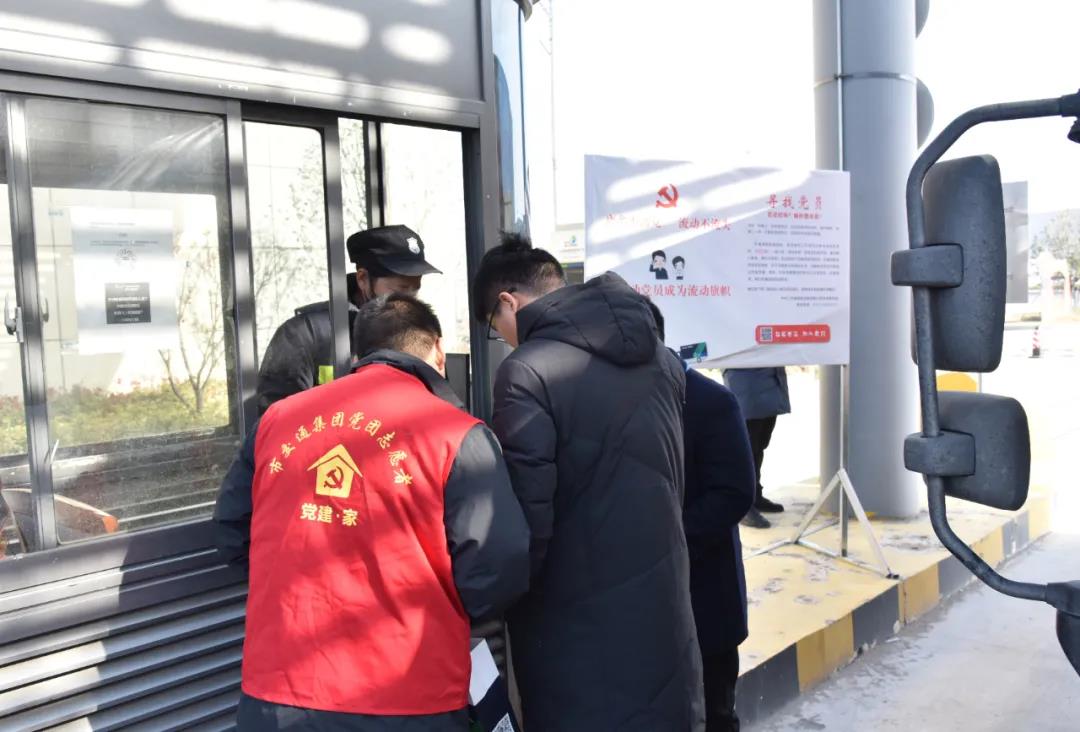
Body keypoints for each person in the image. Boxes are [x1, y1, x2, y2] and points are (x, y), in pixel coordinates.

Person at [214, 293, 530, 731]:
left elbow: (233, 533)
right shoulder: (455, 434)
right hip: (408, 695)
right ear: (438, 351)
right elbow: (496, 570)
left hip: (278, 693)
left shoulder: (277, 421)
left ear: (358, 355)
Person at [474, 233, 705, 732]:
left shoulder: (526, 372)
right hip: (664, 605)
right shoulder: (661, 358)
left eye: (495, 328)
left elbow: (529, 524)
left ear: (508, 302)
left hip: (575, 625)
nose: (505, 340)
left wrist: (488, 594)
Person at [649, 301, 755, 732]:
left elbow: (734, 493)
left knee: (714, 713)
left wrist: (667, 540)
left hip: (706, 592)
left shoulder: (711, 401)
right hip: (647, 601)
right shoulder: (624, 402)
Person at [255, 224, 441, 414]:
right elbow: (277, 417)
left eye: (415, 288)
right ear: (363, 279)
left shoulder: (420, 330)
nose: (409, 299)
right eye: (400, 289)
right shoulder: (305, 334)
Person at [722, 367, 791, 529]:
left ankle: (755, 496)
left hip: (771, 380)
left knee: (760, 445)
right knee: (746, 450)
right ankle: (743, 506)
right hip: (747, 381)